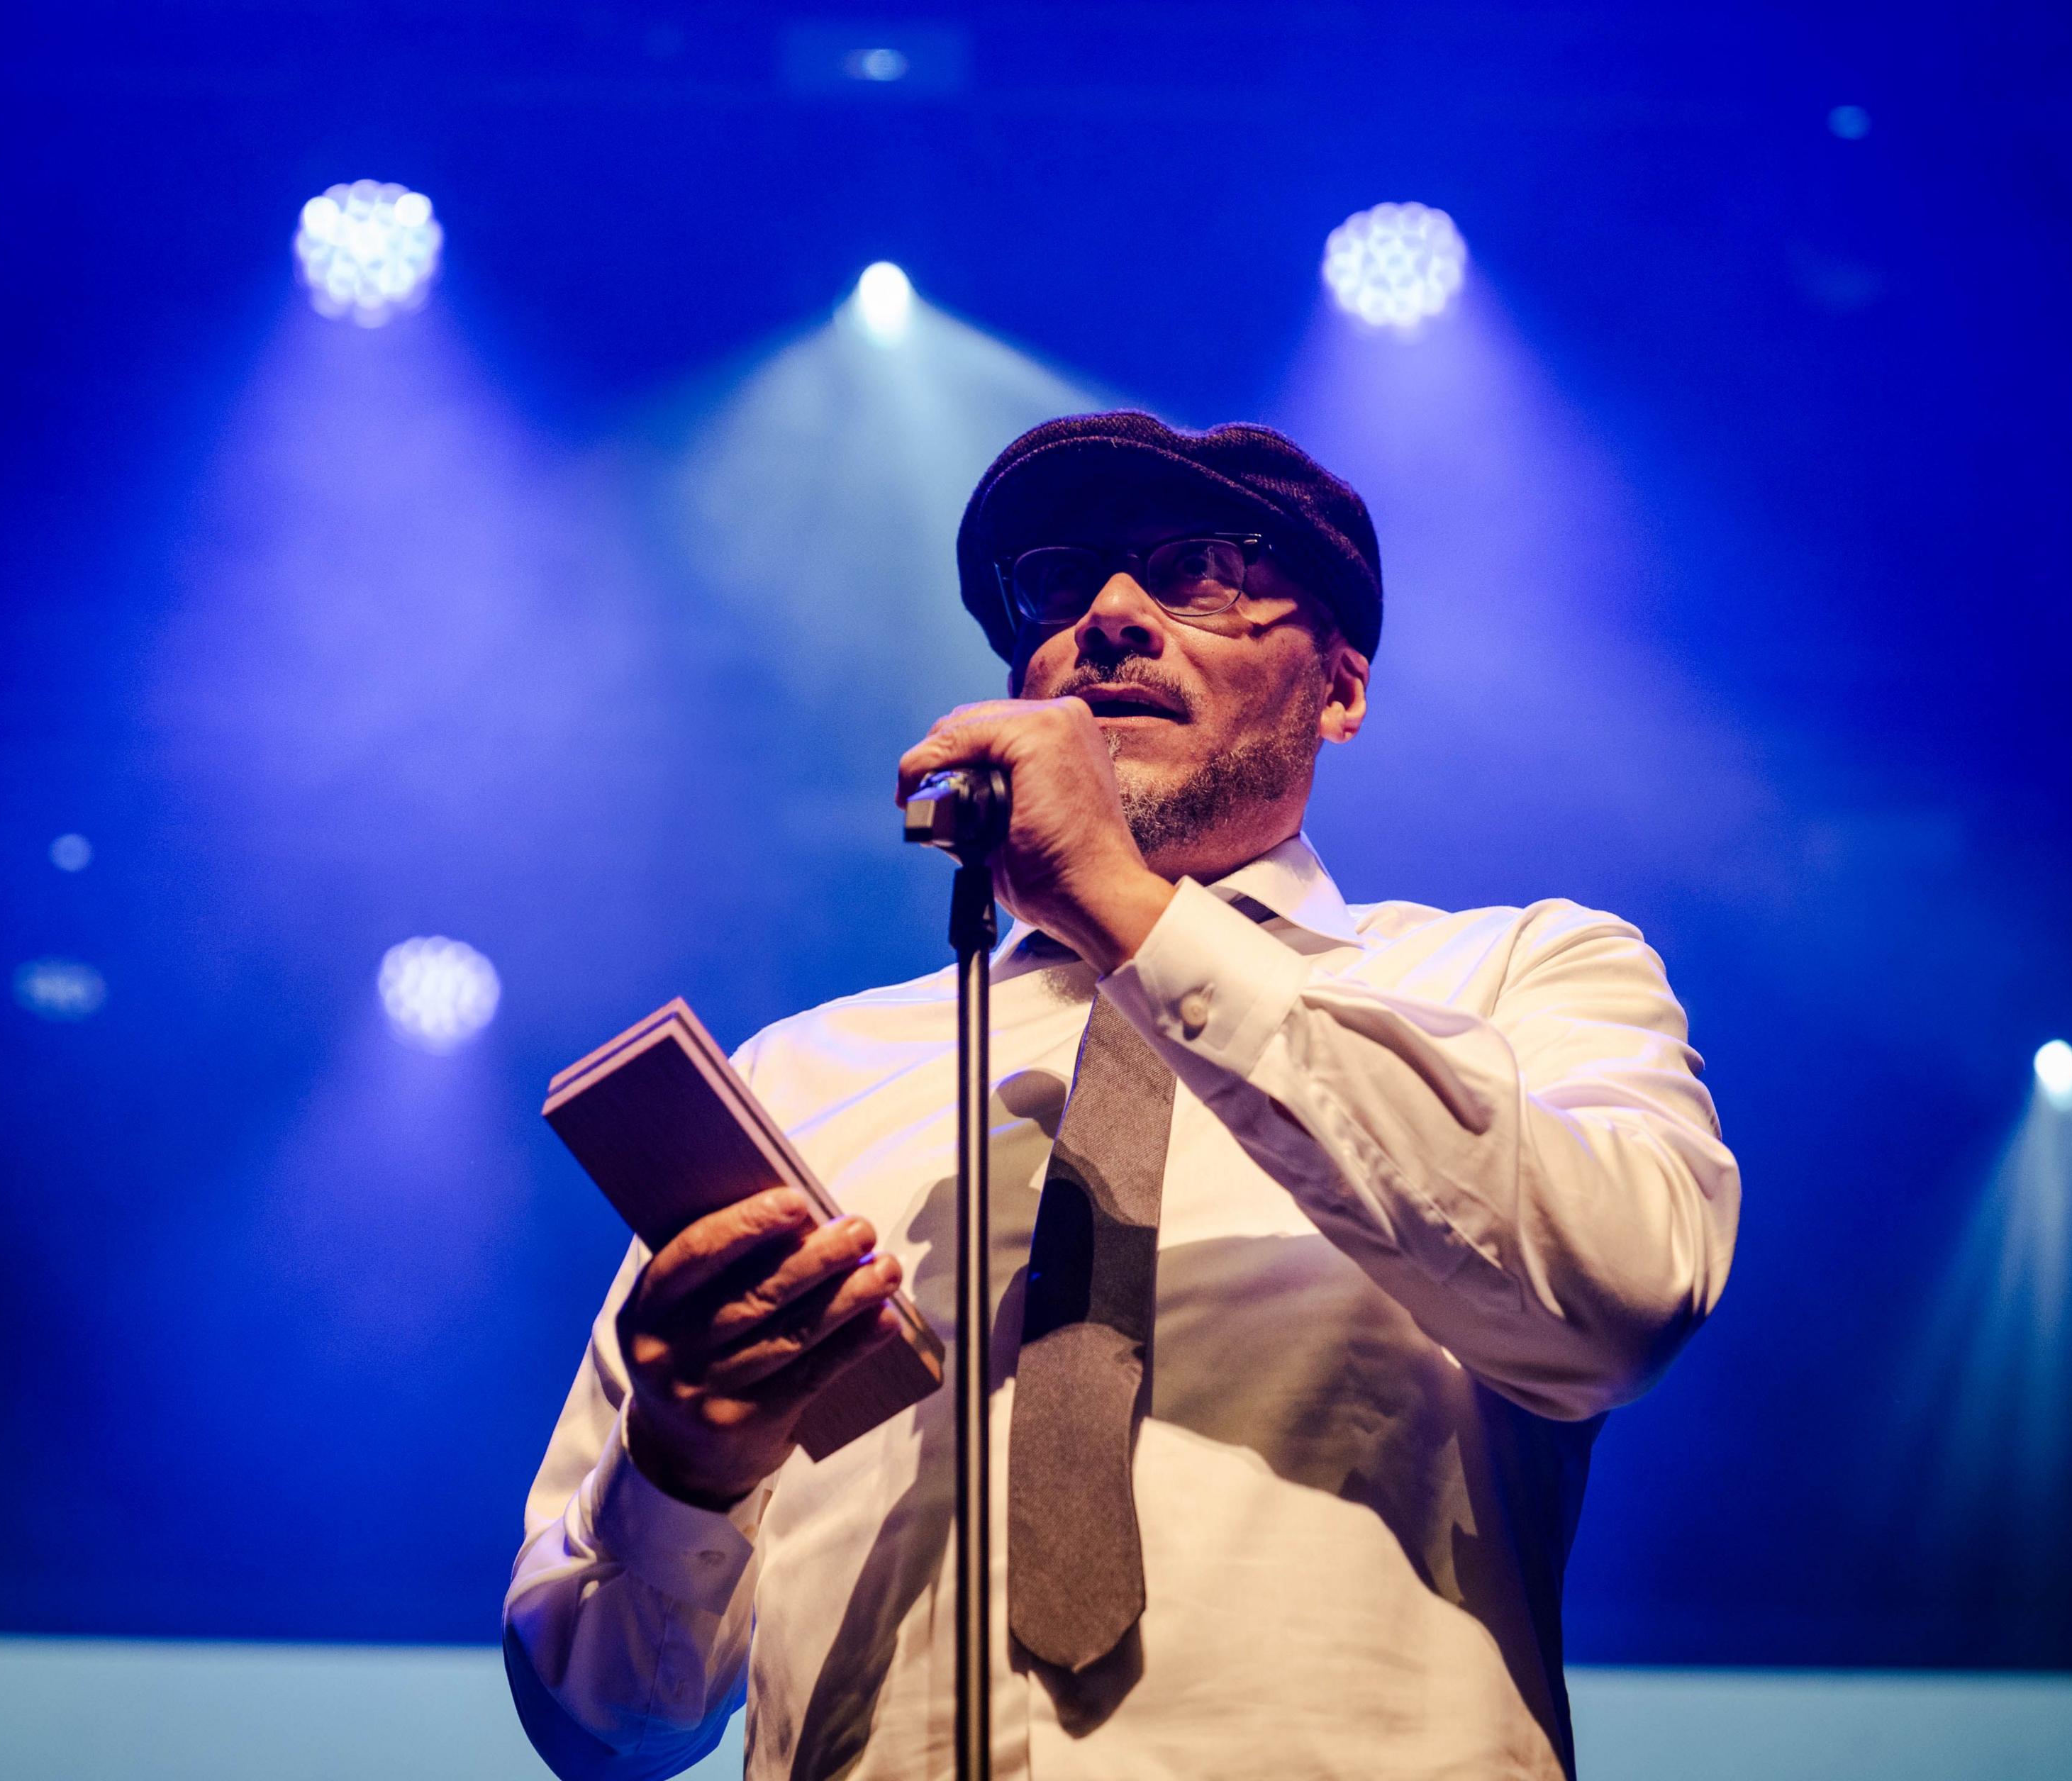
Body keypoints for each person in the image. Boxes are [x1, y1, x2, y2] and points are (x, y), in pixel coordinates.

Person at [503, 411, 1739, 1780]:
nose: (1108, 616)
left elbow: (1626, 1295)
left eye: (1203, 565)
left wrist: (1131, 915)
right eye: (1058, 579)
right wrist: (684, 1461)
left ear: (1341, 684)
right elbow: (597, 1727)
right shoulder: (803, 1079)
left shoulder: (1517, 975)